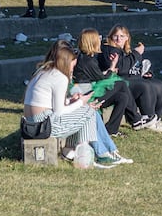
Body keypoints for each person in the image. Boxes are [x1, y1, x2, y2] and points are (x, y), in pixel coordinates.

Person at [21, 39, 129, 167]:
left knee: (86, 111)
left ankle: (79, 151)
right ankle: (99, 154)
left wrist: (71, 101)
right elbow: (59, 111)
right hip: (44, 125)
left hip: (34, 121)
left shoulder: (43, 71)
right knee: (89, 111)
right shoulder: (59, 77)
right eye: (73, 65)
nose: (73, 68)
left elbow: (48, 102)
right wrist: (81, 102)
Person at [101, 25, 162, 131]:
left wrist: (147, 72)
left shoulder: (127, 50)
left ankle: (156, 119)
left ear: (127, 37)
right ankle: (148, 119)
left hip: (132, 79)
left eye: (122, 36)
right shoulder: (109, 49)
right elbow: (123, 68)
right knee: (144, 86)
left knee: (159, 84)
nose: (119, 39)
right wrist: (136, 53)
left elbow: (136, 65)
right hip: (116, 83)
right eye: (116, 36)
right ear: (110, 37)